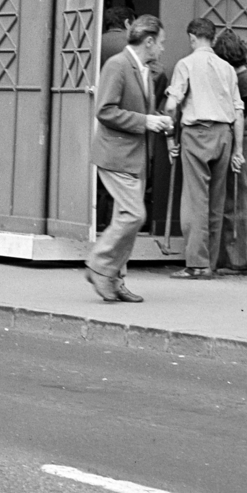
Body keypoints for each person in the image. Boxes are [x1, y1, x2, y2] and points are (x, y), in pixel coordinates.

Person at [86, 15, 174, 303]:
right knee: (134, 215)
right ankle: (99, 265)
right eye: (160, 43)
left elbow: (140, 112)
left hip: (133, 157)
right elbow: (105, 110)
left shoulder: (143, 69)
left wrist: (159, 120)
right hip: (116, 156)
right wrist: (146, 121)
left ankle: (115, 281)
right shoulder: (118, 65)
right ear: (148, 42)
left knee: (127, 219)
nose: (162, 49)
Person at [163, 17, 245, 279]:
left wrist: (169, 139)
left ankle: (196, 264)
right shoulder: (228, 69)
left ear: (192, 38)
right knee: (216, 200)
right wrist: (238, 150)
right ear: (213, 37)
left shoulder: (185, 64)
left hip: (196, 134)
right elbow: (238, 112)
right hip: (224, 135)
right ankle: (209, 263)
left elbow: (171, 106)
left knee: (195, 200)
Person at [212, 28, 247, 274]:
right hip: (240, 139)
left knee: (238, 199)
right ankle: (232, 257)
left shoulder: (244, 78)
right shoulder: (242, 75)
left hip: (242, 141)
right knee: (233, 198)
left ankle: (242, 259)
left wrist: (240, 127)